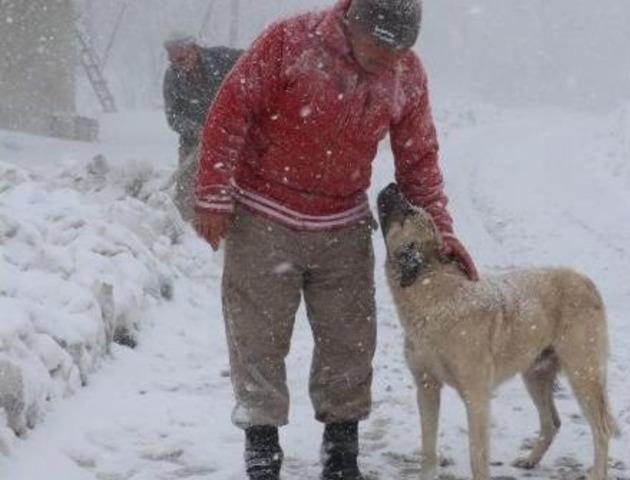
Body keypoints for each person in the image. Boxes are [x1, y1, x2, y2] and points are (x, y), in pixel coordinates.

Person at [193, 1, 478, 479]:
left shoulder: (405, 71)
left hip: (342, 222)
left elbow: (419, 161)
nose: (390, 60)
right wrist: (214, 195)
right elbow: (231, 110)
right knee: (257, 338)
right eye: (381, 48)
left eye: (401, 51)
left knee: (349, 342)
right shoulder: (290, 41)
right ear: (353, 23)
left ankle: (341, 454)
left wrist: (440, 232)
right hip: (266, 215)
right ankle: (262, 451)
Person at [162, 33, 242, 221]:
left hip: (231, 140)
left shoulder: (223, 59)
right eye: (172, 60)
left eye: (180, 58)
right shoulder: (172, 77)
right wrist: (198, 130)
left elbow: (257, 63)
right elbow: (173, 117)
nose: (177, 64)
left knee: (236, 187)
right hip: (194, 143)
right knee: (187, 190)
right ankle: (185, 232)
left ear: (194, 49)